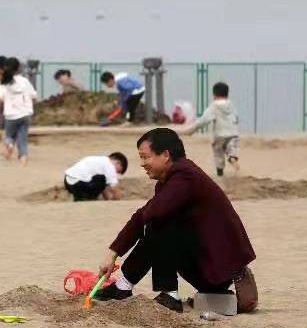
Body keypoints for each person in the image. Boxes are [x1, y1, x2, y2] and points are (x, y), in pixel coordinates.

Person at [94, 128, 258, 314]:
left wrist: (113, 252)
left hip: (217, 268)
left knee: (159, 222)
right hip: (208, 265)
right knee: (158, 221)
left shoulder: (186, 177)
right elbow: (145, 216)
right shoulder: (172, 180)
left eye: (145, 157)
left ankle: (168, 294)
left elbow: (145, 216)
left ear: (165, 155)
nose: (142, 164)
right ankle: (124, 286)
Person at [180, 82, 240, 177]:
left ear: (214, 95)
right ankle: (232, 157)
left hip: (220, 134)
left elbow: (203, 121)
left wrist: (191, 130)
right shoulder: (231, 105)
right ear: (227, 94)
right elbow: (236, 118)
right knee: (231, 148)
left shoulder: (214, 106)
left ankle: (220, 172)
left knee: (218, 152)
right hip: (233, 133)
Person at [0, 57, 37, 166]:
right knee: (22, 138)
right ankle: (23, 158)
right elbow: (34, 96)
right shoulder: (25, 81)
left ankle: (10, 146)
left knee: (9, 136)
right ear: (18, 68)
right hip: (26, 114)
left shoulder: (4, 82)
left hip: (11, 115)